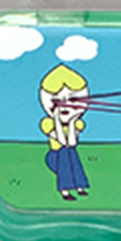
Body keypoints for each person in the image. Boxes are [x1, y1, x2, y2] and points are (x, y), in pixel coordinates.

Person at [38, 63, 91, 200]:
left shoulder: (77, 123)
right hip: (56, 154)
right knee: (65, 158)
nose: (64, 104)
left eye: (73, 99)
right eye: (56, 100)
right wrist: (56, 118)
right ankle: (65, 191)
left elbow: (72, 143)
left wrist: (72, 121)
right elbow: (62, 142)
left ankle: (80, 187)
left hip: (69, 151)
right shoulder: (48, 123)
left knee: (73, 159)